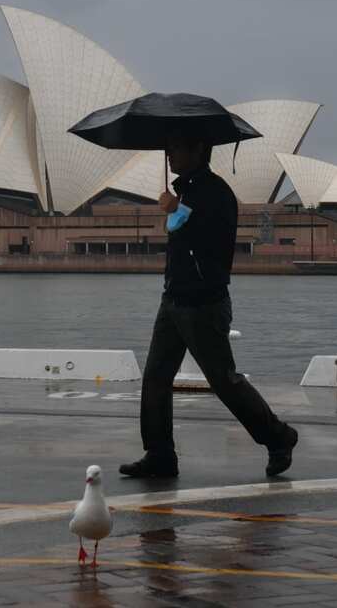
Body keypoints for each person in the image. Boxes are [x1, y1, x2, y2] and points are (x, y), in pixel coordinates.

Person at [120, 133, 299, 479]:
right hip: (173, 299)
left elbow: (209, 243)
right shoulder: (186, 191)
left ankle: (278, 437)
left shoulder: (216, 194)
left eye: (176, 147)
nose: (170, 153)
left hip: (203, 302)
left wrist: (179, 211)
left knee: (223, 380)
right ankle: (159, 454)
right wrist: (178, 209)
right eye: (169, 148)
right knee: (156, 377)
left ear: (199, 149)